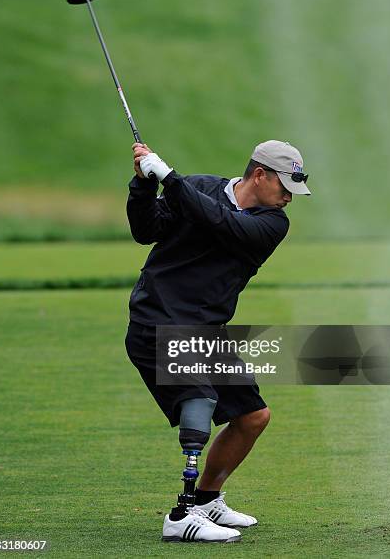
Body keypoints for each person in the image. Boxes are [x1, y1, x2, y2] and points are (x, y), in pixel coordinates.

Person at [125, 140, 310, 543]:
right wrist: (143, 185)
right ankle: (182, 514)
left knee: (252, 417)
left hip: (205, 331)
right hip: (157, 322)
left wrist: (169, 179)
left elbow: (220, 224)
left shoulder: (272, 224)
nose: (288, 200)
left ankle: (207, 500)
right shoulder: (199, 188)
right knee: (198, 401)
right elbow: (145, 231)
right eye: (285, 189)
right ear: (259, 174)